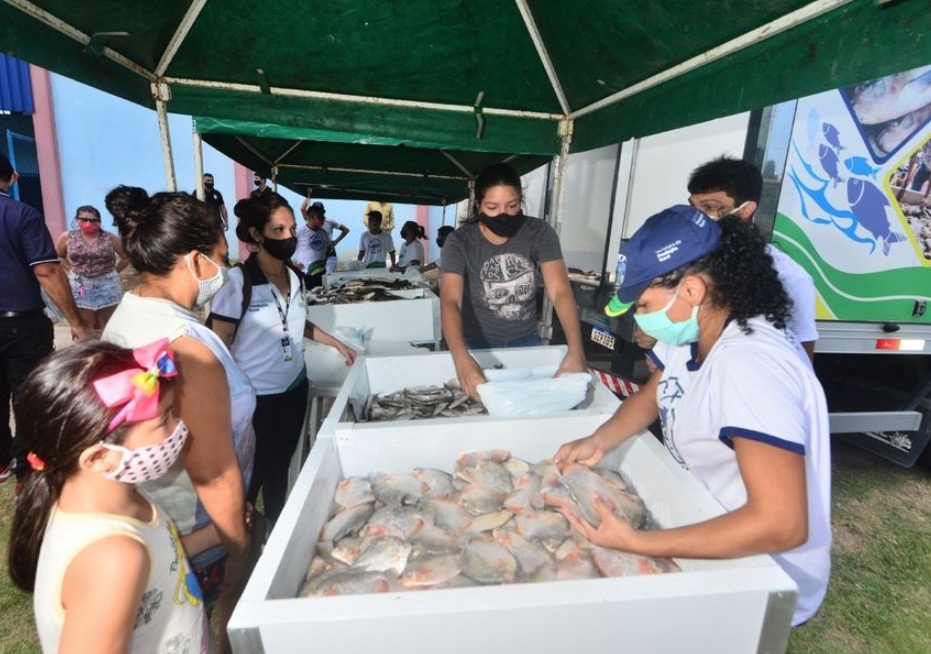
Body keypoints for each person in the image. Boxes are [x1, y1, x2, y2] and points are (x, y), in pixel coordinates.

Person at [556, 205, 831, 627]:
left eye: (644, 303)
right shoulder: (697, 335)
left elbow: (781, 523)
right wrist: (599, 439)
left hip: (760, 572)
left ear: (692, 290)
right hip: (709, 530)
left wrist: (638, 542)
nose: (639, 317)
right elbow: (655, 393)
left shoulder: (749, 365)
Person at [101, 186, 256, 654]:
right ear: (194, 260)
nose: (223, 272)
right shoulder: (186, 345)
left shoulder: (129, 315)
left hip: (153, 518)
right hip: (197, 530)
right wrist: (237, 546)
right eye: (220, 257)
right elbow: (214, 471)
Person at [8, 340, 207, 653]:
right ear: (98, 458)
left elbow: (158, 558)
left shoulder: (119, 496)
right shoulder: (112, 558)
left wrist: (213, 537)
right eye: (164, 419)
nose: (179, 428)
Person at [209, 192, 356, 523]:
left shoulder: (295, 277)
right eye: (279, 230)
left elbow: (294, 322)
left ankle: (275, 528)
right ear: (257, 234)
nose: (289, 237)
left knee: (281, 466)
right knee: (252, 476)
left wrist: (335, 343)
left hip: (294, 388)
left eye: (291, 229)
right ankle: (241, 544)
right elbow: (219, 346)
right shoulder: (238, 282)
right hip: (256, 399)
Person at [440, 162, 587, 399]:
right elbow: (450, 301)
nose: (503, 214)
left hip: (525, 342)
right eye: (492, 206)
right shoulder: (460, 242)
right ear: (478, 205)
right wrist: (461, 358)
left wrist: (577, 350)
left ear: (521, 201)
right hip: (474, 345)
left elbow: (560, 292)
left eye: (512, 205)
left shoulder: (539, 233)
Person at [0, 152, 87, 485]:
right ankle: (27, 467)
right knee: (28, 394)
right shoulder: (21, 214)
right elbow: (48, 270)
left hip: (16, 320)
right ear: (13, 177)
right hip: (20, 322)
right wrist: (75, 322)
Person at [686, 156, 818, 360]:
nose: (697, 217)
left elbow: (802, 354)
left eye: (710, 207)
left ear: (746, 209)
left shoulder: (789, 277)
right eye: (693, 207)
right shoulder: (687, 257)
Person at [54, 205, 130, 338]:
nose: (89, 223)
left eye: (94, 220)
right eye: (84, 219)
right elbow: (59, 256)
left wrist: (114, 272)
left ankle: (106, 352)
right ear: (77, 220)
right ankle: (88, 353)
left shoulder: (109, 237)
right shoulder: (68, 237)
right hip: (80, 284)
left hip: (107, 284)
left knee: (106, 324)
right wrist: (71, 270)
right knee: (85, 324)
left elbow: (126, 257)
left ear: (99, 222)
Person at [301, 199, 349, 273]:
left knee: (328, 276)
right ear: (312, 215)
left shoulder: (329, 221)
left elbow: (346, 230)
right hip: (316, 254)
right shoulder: (310, 220)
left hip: (329, 252)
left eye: (320, 212)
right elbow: (302, 209)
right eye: (316, 211)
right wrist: (308, 195)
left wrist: (336, 241)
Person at [294, 200, 331, 289]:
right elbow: (287, 247)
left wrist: (324, 260)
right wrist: (293, 265)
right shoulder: (300, 231)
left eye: (323, 216)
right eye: (319, 217)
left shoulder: (323, 233)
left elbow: (329, 248)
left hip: (321, 273)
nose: (323, 219)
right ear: (311, 217)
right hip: (306, 274)